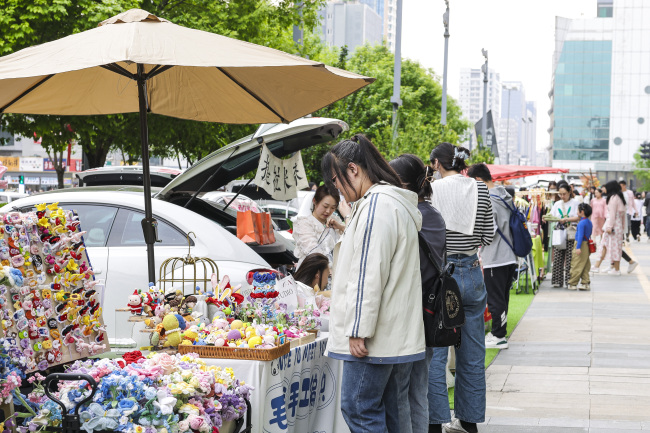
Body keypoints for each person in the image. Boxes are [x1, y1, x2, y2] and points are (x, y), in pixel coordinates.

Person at [322, 134, 425, 433]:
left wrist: (358, 330)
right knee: (392, 410)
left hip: (374, 334)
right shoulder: (389, 203)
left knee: (359, 407)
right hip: (392, 331)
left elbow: (368, 274)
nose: (337, 188)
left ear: (353, 169)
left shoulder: (377, 206)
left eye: (337, 179)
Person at [428, 143, 494, 433]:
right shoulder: (481, 189)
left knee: (436, 353)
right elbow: (489, 235)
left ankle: (434, 422)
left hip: (442, 275)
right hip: (471, 271)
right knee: (472, 353)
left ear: (436, 164)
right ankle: (468, 422)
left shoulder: (432, 190)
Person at [390, 153, 446, 433]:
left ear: (402, 183)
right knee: (418, 389)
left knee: (400, 390)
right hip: (430, 312)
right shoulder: (434, 216)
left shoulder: (407, 216)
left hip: (408, 312)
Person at [467, 163, 516, 350]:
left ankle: (499, 335)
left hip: (496, 256)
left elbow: (490, 231)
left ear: (478, 180)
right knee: (502, 297)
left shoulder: (489, 199)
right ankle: (498, 332)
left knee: (495, 299)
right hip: (509, 255)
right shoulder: (504, 195)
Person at [292, 184, 345, 266]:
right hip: (312, 271)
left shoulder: (335, 221)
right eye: (325, 206)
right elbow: (312, 250)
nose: (328, 211)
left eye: (332, 208)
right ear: (314, 201)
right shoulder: (304, 223)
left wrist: (340, 227)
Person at [543, 183, 580, 287]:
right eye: (560, 194)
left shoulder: (575, 203)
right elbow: (553, 215)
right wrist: (546, 217)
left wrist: (566, 219)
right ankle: (556, 281)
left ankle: (570, 281)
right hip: (559, 232)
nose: (562, 196)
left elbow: (578, 217)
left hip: (571, 232)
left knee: (569, 258)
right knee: (558, 257)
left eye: (564, 194)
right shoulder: (557, 204)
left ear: (569, 192)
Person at [598, 180, 627, 275]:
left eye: (606, 187)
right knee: (617, 248)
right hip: (618, 226)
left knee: (614, 248)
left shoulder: (613, 198)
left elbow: (612, 215)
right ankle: (615, 268)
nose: (604, 189)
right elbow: (622, 216)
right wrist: (622, 228)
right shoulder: (619, 197)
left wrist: (609, 227)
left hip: (614, 225)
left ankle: (616, 269)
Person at [568, 203, 593, 291]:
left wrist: (578, 247)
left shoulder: (581, 223)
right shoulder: (589, 222)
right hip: (586, 244)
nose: (577, 212)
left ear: (582, 212)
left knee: (577, 263)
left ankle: (573, 283)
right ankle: (585, 282)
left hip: (581, 244)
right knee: (585, 264)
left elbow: (580, 236)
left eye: (578, 210)